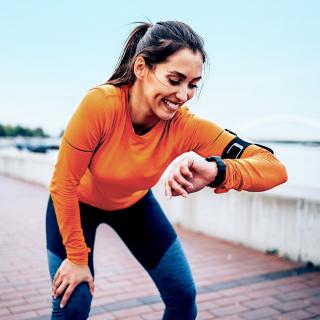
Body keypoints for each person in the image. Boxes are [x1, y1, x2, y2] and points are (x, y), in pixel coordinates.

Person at [46, 20, 288, 320]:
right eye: (175, 80)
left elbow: (274, 168)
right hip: (75, 205)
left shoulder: (186, 126)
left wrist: (216, 171)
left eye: (192, 84)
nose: (184, 95)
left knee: (183, 298)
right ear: (141, 68)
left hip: (133, 205)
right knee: (74, 303)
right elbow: (63, 183)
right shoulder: (101, 105)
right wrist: (77, 258)